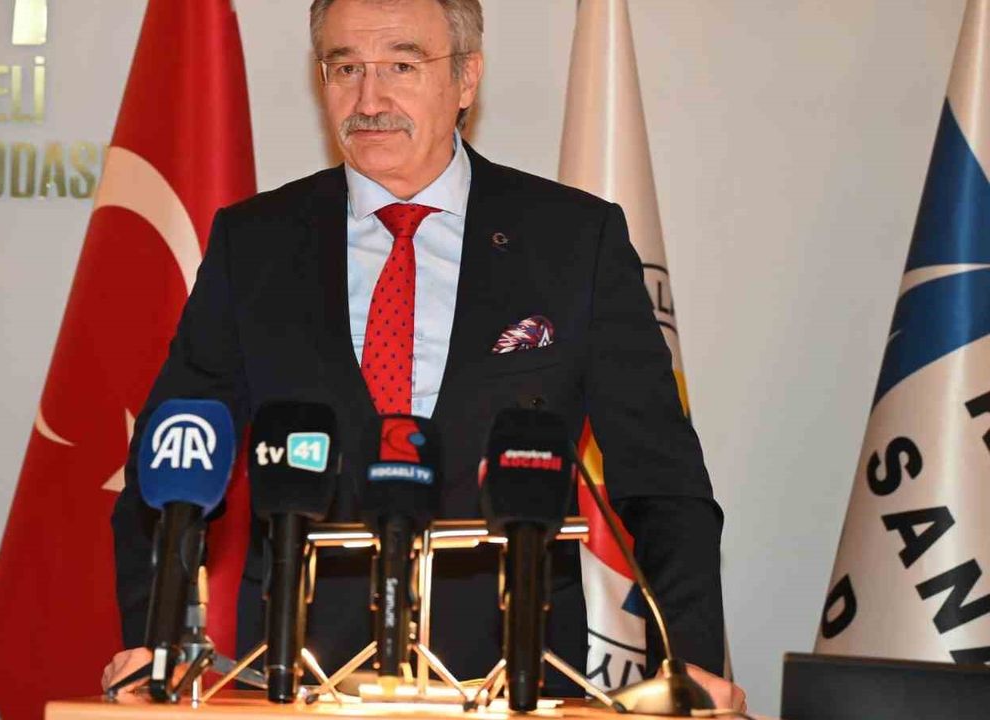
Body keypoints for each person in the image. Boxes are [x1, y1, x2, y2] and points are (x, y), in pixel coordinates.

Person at [104, 0, 745, 710]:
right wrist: (155, 646)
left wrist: (686, 663)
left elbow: (663, 482)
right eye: (346, 68)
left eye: (401, 66)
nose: (368, 100)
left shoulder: (572, 242)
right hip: (296, 681)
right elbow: (171, 462)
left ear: (466, 77)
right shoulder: (254, 244)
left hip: (515, 683)